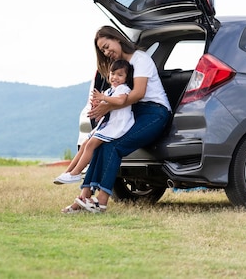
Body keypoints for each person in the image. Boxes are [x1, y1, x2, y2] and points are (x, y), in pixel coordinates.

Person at [62, 25, 172, 214]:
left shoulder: (140, 59)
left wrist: (109, 105)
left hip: (156, 113)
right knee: (100, 143)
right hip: (134, 112)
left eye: (107, 46)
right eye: (102, 50)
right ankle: (84, 197)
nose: (106, 52)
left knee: (114, 146)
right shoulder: (119, 69)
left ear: (117, 39)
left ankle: (101, 202)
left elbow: (138, 93)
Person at [54, 59, 135, 185]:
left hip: (118, 124)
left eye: (120, 75)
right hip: (108, 123)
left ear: (126, 77)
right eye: (113, 74)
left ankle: (76, 173)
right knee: (85, 144)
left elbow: (120, 101)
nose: (115, 77)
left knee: (91, 144)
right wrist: (98, 104)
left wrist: (103, 97)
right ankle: (68, 172)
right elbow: (104, 108)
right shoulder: (110, 91)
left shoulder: (123, 89)